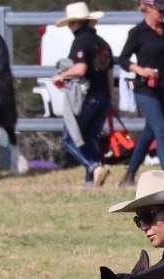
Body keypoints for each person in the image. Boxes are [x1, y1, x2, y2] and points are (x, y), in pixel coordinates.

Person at [117, 0, 164, 187]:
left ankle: (129, 176)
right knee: (161, 128)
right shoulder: (137, 32)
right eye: (160, 11)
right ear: (149, 9)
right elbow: (123, 59)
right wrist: (141, 70)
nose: (163, 14)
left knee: (149, 134)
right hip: (145, 89)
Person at [52, 2, 113, 187]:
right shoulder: (103, 43)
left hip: (87, 98)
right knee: (89, 138)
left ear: (75, 23)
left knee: (69, 139)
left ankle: (94, 167)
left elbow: (80, 69)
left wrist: (62, 75)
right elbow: (109, 74)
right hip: (103, 97)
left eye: (70, 23)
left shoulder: (81, 41)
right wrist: (109, 100)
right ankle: (90, 182)